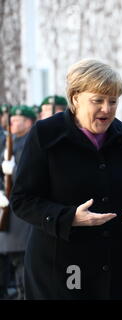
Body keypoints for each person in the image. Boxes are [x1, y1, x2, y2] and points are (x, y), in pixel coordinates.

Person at [10, 59, 122, 299]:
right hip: (61, 269)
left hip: (114, 269)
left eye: (113, 101)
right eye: (97, 100)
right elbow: (22, 200)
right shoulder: (46, 134)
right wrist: (70, 218)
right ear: (76, 98)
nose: (107, 109)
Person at [0, 105, 36, 299]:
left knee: (24, 267)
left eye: (18, 119)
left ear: (29, 122)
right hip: (9, 210)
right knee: (14, 264)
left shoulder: (32, 143)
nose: (12, 121)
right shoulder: (10, 143)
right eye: (11, 119)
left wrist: (12, 171)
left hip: (24, 214)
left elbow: (31, 175)